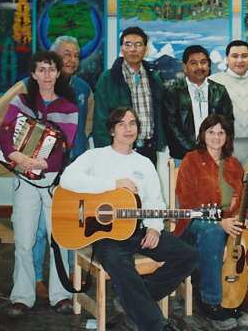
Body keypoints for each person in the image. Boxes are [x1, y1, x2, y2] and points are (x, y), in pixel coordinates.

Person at [60, 106, 199, 331]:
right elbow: (67, 179)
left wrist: (154, 229)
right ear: (112, 130)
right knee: (121, 265)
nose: (128, 128)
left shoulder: (144, 163)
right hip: (105, 234)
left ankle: (133, 300)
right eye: (122, 124)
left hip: (138, 229)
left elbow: (155, 202)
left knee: (189, 256)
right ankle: (156, 325)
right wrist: (112, 185)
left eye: (133, 123)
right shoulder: (96, 156)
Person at [0, 35, 94, 298]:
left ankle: (60, 295)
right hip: (24, 180)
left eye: (51, 69)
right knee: (24, 241)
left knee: (58, 239)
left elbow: (66, 145)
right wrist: (14, 154)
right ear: (33, 74)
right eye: (41, 69)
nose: (47, 75)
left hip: (55, 182)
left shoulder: (69, 107)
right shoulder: (21, 101)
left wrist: (45, 163)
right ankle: (22, 296)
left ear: (58, 73)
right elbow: (5, 131)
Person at [174, 114, 248, 330]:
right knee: (213, 233)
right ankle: (210, 301)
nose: (216, 136)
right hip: (197, 220)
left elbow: (241, 197)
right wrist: (220, 221)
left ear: (227, 136)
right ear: (203, 135)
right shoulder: (191, 160)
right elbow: (187, 201)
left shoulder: (232, 163)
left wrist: (242, 217)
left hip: (230, 218)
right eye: (211, 131)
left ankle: (247, 294)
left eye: (221, 132)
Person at [93, 27, 165, 166]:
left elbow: (160, 114)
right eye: (128, 44)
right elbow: (100, 121)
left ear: (145, 49)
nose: (133, 49)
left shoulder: (154, 77)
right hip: (118, 151)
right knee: (119, 188)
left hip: (148, 150)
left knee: (146, 188)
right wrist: (105, 152)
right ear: (121, 48)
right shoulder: (108, 78)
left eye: (138, 45)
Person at [162, 45, 234, 164]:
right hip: (183, 157)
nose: (199, 67)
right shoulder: (173, 93)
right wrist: (195, 151)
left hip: (215, 156)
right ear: (184, 67)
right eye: (193, 63)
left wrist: (215, 150)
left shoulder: (219, 91)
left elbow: (228, 123)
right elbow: (171, 127)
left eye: (203, 62)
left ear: (209, 65)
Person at [209, 40, 248, 166]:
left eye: (244, 56)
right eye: (235, 56)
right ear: (227, 58)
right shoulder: (213, 83)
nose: (240, 60)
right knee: (223, 185)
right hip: (222, 146)